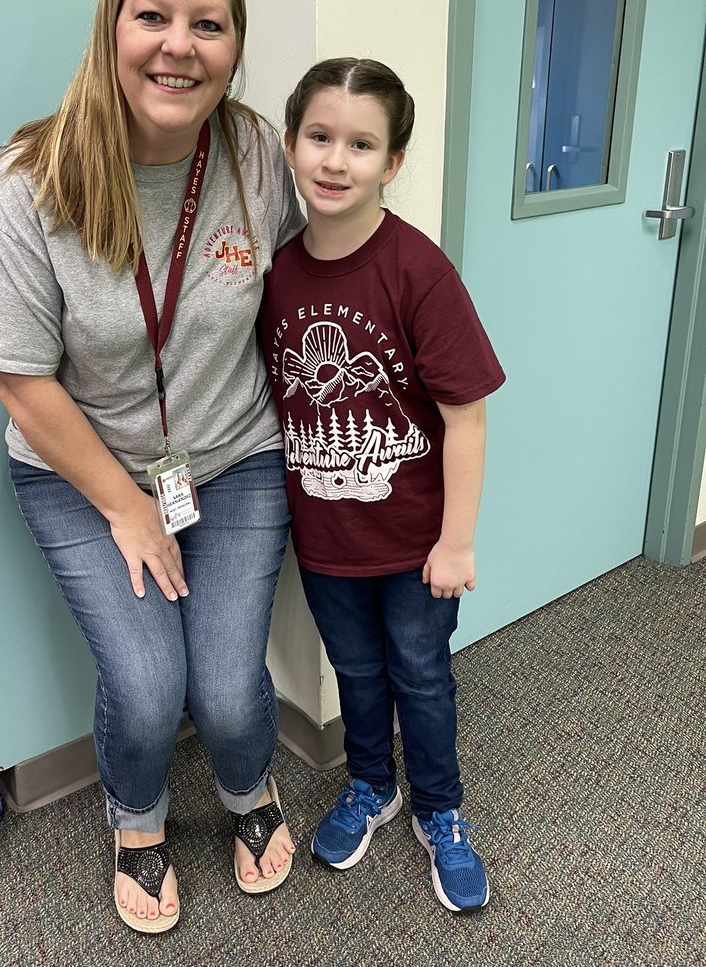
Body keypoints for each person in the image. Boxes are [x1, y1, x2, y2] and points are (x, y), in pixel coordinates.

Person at [0, 0, 302, 933]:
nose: (178, 46)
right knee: (153, 689)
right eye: (153, 15)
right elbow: (17, 379)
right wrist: (125, 506)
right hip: (78, 466)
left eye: (209, 24)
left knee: (236, 692)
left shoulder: (256, 156)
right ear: (113, 22)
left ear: (236, 43)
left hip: (232, 454)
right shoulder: (34, 183)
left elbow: (320, 275)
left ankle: (250, 791)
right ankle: (139, 819)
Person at [259, 58, 505, 912]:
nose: (336, 161)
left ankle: (441, 810)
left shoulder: (418, 272)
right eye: (320, 138)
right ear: (291, 146)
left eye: (361, 145)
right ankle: (373, 786)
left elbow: (465, 417)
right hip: (326, 539)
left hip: (416, 544)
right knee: (357, 674)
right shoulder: (279, 274)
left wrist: (457, 541)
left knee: (421, 673)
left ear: (392, 162)